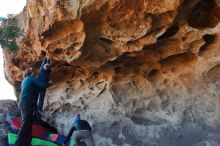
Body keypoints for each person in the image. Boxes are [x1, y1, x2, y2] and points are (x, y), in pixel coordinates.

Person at [15, 67, 51, 146]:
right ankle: (18, 143)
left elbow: (35, 90)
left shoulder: (25, 80)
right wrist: (49, 82)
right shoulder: (30, 78)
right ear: (31, 72)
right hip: (26, 102)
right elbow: (42, 86)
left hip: (25, 103)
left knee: (28, 123)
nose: (35, 73)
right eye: (34, 71)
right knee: (26, 122)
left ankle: (27, 142)